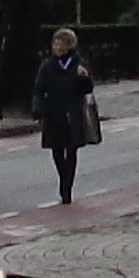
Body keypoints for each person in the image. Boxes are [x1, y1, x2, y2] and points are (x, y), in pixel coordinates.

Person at [33, 27, 100, 204]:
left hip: (73, 114)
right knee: (56, 150)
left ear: (69, 45)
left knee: (71, 150)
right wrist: (37, 108)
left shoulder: (79, 64)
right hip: (54, 113)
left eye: (60, 43)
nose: (57, 46)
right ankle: (63, 177)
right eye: (55, 43)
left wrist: (85, 78)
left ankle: (66, 187)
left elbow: (88, 88)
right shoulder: (47, 65)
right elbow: (39, 89)